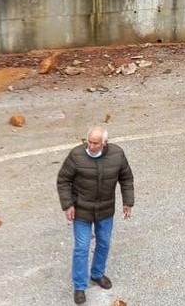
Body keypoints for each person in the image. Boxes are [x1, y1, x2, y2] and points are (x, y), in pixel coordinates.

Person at [57, 126, 134, 304]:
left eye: (95, 143)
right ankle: (79, 286)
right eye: (89, 142)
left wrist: (128, 202)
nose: (91, 146)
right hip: (81, 211)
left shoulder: (117, 154)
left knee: (104, 242)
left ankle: (98, 274)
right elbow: (63, 180)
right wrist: (68, 205)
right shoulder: (76, 156)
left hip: (105, 210)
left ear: (104, 143)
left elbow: (126, 178)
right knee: (81, 248)